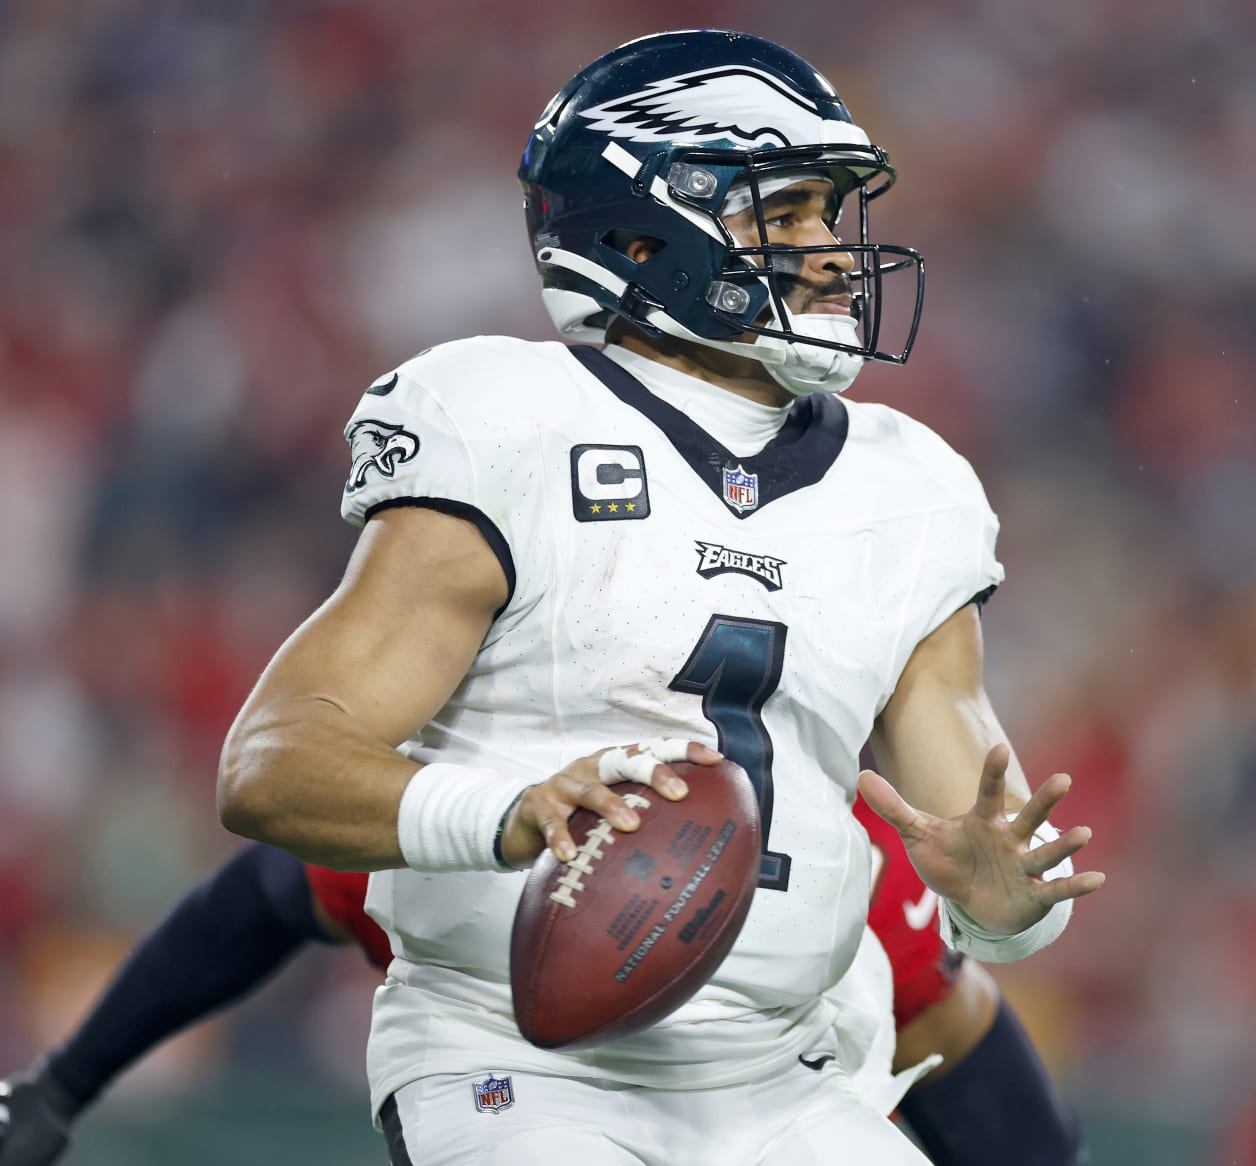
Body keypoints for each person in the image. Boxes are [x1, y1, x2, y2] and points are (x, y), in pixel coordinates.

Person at [210, 27, 1101, 1166]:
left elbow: (982, 833)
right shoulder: (502, 416)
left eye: (832, 216)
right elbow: (274, 762)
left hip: (786, 1077)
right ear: (640, 230)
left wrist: (1006, 903)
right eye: (785, 215)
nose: (830, 253)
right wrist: (510, 809)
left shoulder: (910, 484)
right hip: (517, 1062)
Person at [0, 815, 1083, 1164]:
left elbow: (951, 1020)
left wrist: (64, 1084)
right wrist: (62, 1083)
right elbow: (270, 892)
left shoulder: (822, 842)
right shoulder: (459, 812)